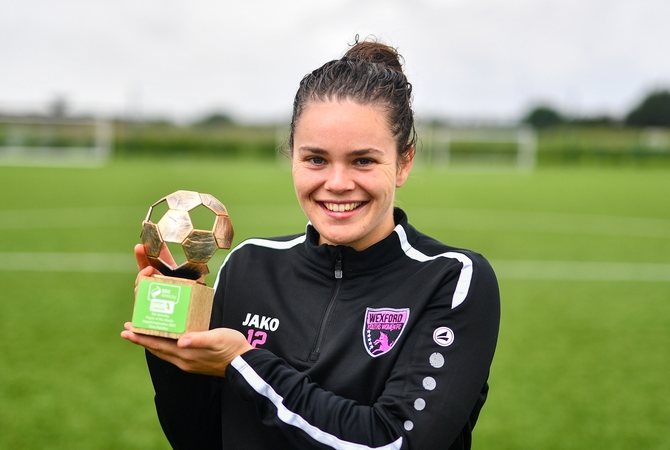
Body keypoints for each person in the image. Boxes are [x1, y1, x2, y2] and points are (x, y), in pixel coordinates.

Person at [121, 38, 500, 450]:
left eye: (363, 160)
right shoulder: (249, 265)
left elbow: (394, 442)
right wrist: (173, 346)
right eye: (316, 159)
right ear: (292, 157)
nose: (337, 183)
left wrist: (244, 363)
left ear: (403, 163)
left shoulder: (452, 279)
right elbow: (206, 439)